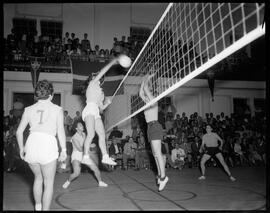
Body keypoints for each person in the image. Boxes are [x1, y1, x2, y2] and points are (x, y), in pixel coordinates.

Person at [16, 80, 67, 210]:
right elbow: (60, 131)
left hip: (32, 143)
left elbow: (19, 131)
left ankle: (37, 207)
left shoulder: (28, 109)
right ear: (51, 94)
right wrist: (64, 150)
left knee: (38, 178)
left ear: (37, 94)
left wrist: (22, 148)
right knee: (48, 184)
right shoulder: (57, 109)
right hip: (48, 143)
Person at [81, 56, 126, 166]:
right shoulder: (92, 83)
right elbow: (102, 71)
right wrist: (112, 62)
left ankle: (105, 157)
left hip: (96, 111)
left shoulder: (101, 93)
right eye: (94, 75)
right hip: (89, 109)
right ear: (92, 78)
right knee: (91, 134)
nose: (96, 75)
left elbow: (101, 108)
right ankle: (85, 157)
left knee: (102, 135)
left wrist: (107, 103)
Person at [139, 74, 169, 192]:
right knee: (156, 154)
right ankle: (161, 175)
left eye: (150, 93)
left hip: (155, 126)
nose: (147, 94)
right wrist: (143, 79)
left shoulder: (153, 100)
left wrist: (147, 78)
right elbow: (141, 93)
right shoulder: (147, 102)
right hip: (149, 128)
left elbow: (145, 90)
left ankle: (163, 177)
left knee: (157, 153)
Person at [62, 122, 107, 189]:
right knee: (76, 173)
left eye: (82, 125)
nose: (82, 126)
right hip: (76, 155)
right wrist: (89, 146)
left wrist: (90, 145)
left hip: (85, 154)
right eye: (80, 125)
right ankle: (68, 181)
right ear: (76, 128)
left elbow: (87, 143)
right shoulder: (74, 138)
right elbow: (80, 149)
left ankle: (100, 182)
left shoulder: (84, 134)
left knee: (96, 169)